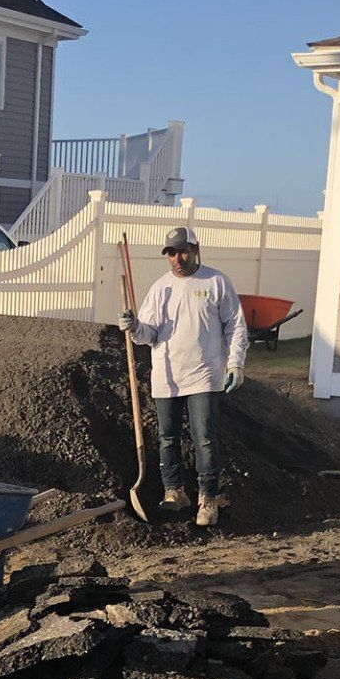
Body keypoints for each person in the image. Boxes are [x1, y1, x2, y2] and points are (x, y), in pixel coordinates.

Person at [119, 226, 249, 528]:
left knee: (204, 438)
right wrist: (135, 326)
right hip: (167, 377)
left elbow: (236, 326)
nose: (178, 258)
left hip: (205, 375)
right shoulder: (159, 289)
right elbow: (149, 334)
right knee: (168, 438)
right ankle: (174, 492)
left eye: (183, 251)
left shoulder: (216, 282)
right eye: (171, 253)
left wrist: (236, 364)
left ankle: (207, 498)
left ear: (195, 249)